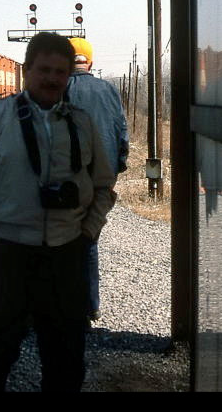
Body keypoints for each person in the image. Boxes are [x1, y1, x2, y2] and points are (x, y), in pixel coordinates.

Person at [0, 32, 118, 392]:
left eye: (60, 72)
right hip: (4, 254)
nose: (52, 79)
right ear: (26, 71)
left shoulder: (81, 123)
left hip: (65, 253)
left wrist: (88, 232)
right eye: (44, 70)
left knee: (66, 360)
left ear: (68, 76)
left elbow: (104, 185)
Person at [65, 37, 128, 326]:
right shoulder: (108, 91)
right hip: (101, 179)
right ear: (89, 62)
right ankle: (90, 308)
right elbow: (121, 132)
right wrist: (116, 168)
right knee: (88, 240)